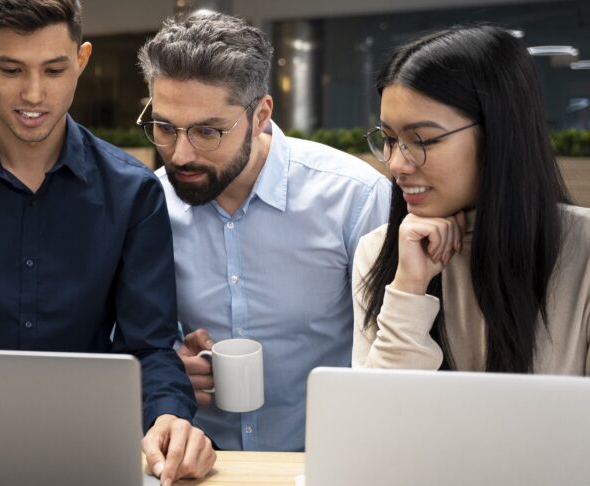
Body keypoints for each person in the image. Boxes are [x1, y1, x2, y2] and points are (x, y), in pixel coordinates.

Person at [0, 0, 214, 486]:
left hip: (91, 457)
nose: (33, 93)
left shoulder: (132, 192)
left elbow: (148, 347)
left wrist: (169, 416)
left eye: (54, 69)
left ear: (81, 61)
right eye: (11, 69)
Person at [136, 12, 391, 452]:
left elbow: (396, 349)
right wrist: (168, 369)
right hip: (201, 466)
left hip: (328, 460)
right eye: (164, 127)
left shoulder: (355, 198)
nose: (180, 154)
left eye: (207, 131)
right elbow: (135, 340)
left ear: (260, 115)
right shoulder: (149, 205)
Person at [353, 25, 589, 373]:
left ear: (499, 134)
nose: (397, 163)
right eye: (388, 138)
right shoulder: (383, 252)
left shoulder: (581, 250)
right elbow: (377, 417)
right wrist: (408, 289)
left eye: (424, 140)